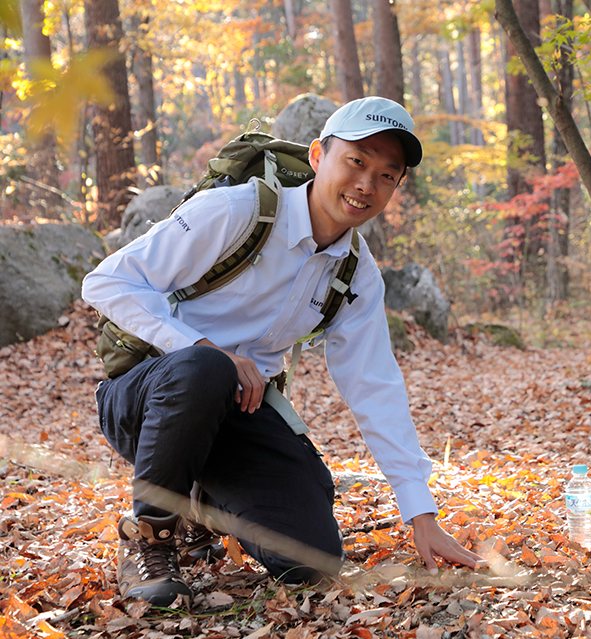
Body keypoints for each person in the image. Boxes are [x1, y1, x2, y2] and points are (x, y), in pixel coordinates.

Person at [82, 97, 485, 606]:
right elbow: (105, 282)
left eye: (387, 175)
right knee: (204, 367)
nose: (366, 185)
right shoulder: (236, 210)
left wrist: (420, 515)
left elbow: (375, 387)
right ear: (319, 156)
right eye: (356, 162)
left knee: (313, 561)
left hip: (239, 415)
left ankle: (200, 503)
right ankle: (151, 538)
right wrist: (205, 348)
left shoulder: (355, 275)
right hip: (147, 398)